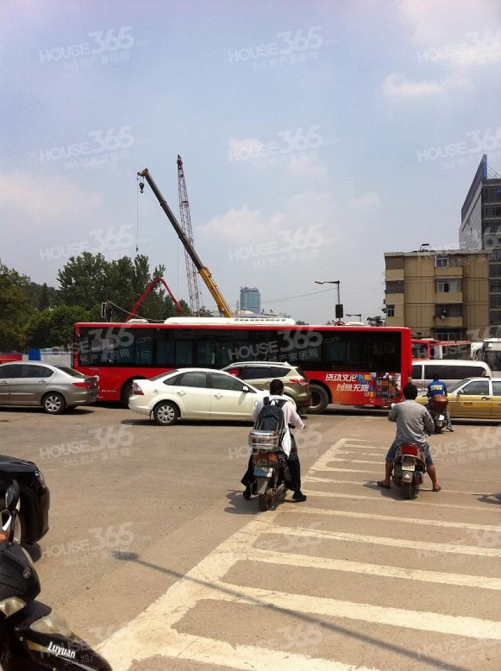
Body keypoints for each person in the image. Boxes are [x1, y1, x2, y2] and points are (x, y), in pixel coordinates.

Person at [241, 378, 307, 502]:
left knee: (254, 458)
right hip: (281, 440)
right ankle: (297, 492)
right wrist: (301, 426)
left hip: (262, 439)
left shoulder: (262, 402)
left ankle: (248, 489)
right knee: (293, 460)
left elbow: (255, 418)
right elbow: (296, 420)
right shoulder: (287, 404)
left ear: (270, 390)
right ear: (282, 391)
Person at [377, 382, 441, 492]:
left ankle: (387, 481)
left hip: (401, 441)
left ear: (404, 394)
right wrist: (429, 431)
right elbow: (430, 424)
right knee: (429, 462)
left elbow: (391, 417)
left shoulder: (398, 407)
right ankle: (435, 484)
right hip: (419, 443)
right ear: (416, 395)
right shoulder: (422, 409)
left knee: (389, 458)